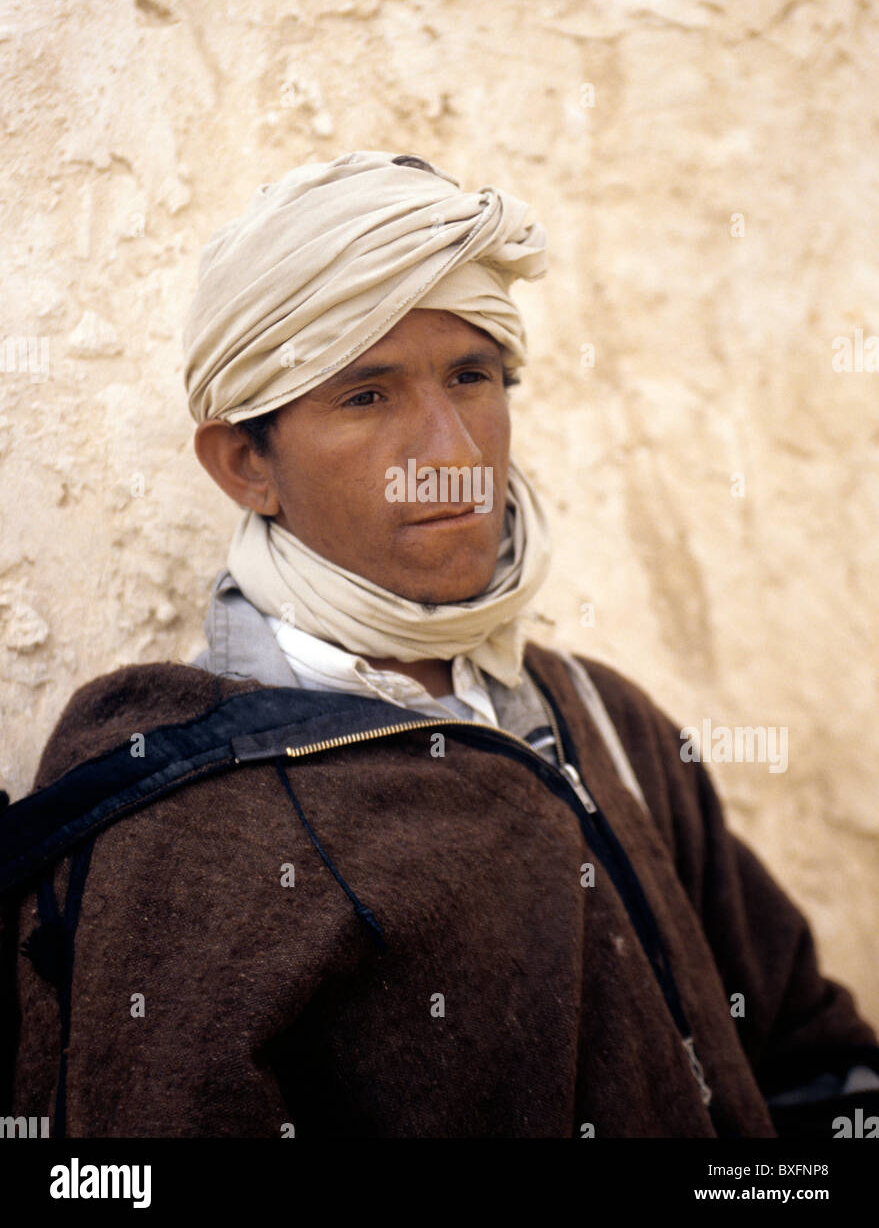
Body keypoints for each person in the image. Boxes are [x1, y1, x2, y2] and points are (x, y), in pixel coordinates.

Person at [1, 150, 877, 1139]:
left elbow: (808, 1056)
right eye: (368, 396)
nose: (452, 455)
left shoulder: (604, 721)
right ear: (248, 462)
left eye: (473, 377)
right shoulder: (182, 814)